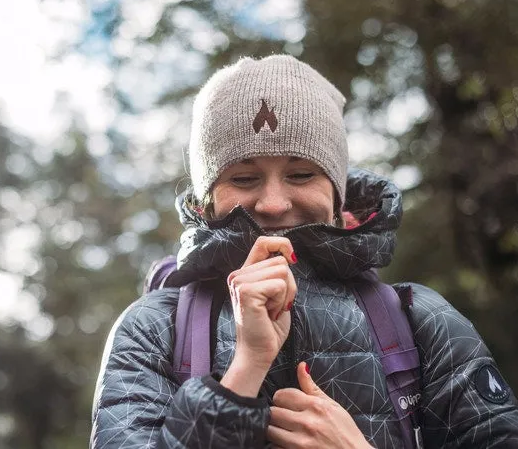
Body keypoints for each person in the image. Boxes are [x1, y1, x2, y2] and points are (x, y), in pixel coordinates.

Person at [90, 55, 518, 448]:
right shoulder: (150, 330)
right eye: (243, 179)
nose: (273, 203)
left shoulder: (422, 320)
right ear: (205, 201)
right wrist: (245, 368)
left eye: (300, 173)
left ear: (338, 194)